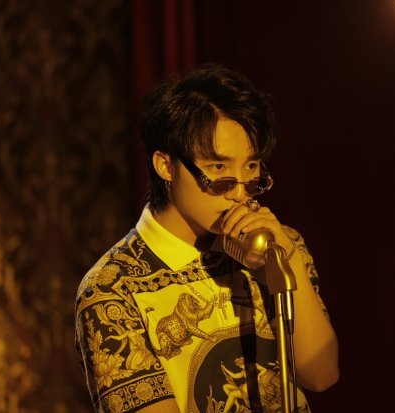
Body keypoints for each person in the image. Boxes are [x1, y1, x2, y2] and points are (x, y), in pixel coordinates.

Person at [75, 63, 339, 413]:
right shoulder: (111, 290)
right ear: (166, 165)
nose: (239, 192)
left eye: (251, 167)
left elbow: (321, 374)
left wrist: (284, 261)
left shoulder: (277, 243)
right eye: (218, 169)